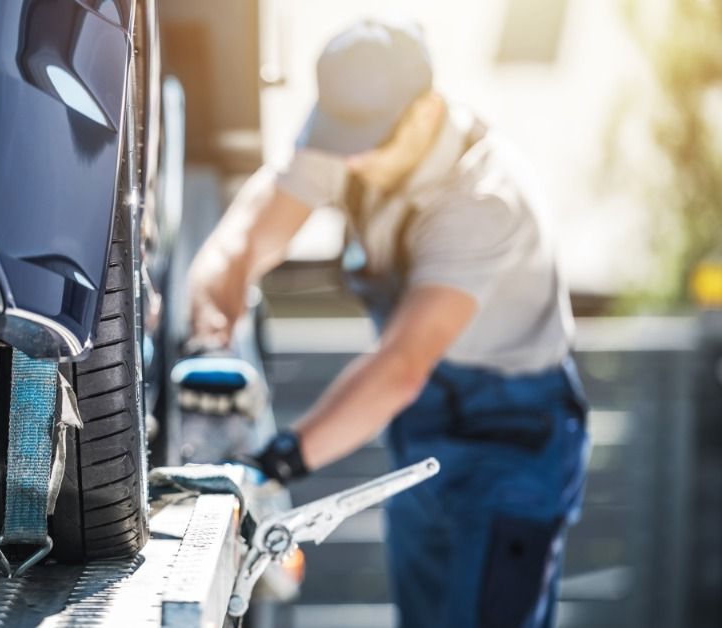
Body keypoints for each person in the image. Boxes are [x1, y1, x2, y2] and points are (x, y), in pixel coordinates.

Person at [187, 17, 590, 628]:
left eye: (368, 140)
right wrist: (215, 301)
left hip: (512, 438)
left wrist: (274, 467)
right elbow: (249, 232)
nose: (353, 157)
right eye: (341, 137)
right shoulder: (351, 138)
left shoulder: (484, 200)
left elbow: (401, 367)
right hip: (426, 424)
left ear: (426, 112)